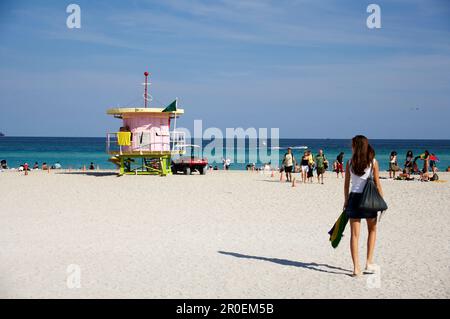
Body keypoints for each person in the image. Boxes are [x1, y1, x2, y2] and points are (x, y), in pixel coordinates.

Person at [343, 135, 384, 277]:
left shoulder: (349, 163)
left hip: (354, 198)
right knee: (372, 230)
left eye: (352, 144)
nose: (350, 146)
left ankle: (356, 269)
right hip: (369, 199)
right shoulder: (373, 162)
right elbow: (378, 184)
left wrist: (346, 200)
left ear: (356, 146)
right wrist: (381, 201)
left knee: (354, 235)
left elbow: (346, 184)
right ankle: (368, 262)